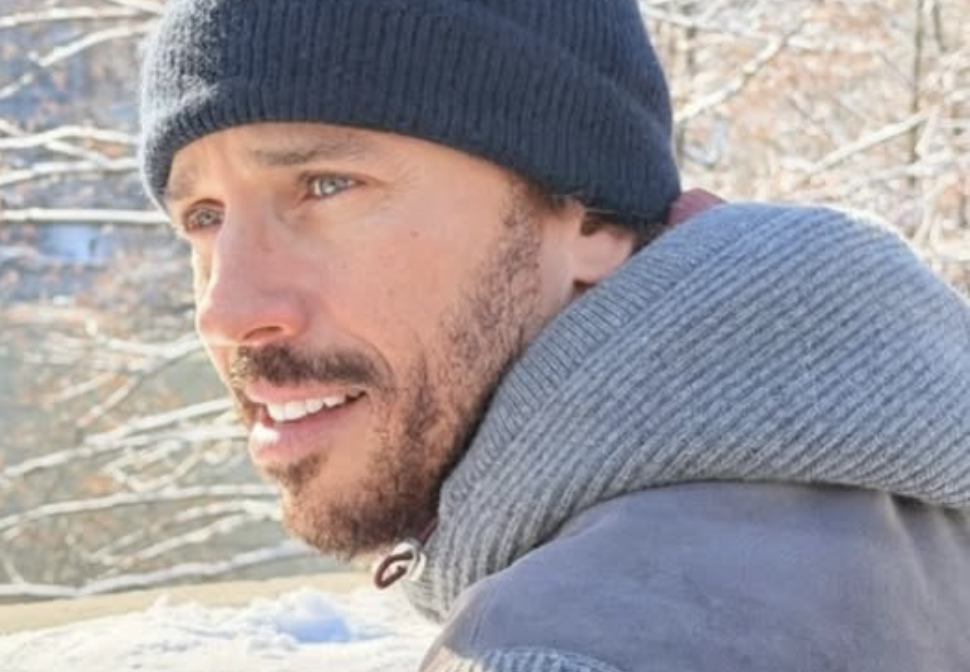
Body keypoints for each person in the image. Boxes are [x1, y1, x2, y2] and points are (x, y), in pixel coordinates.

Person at [138, 1, 970, 670]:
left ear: (591, 219)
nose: (224, 310)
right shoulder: (909, 524)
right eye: (203, 217)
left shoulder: (556, 648)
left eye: (325, 185)